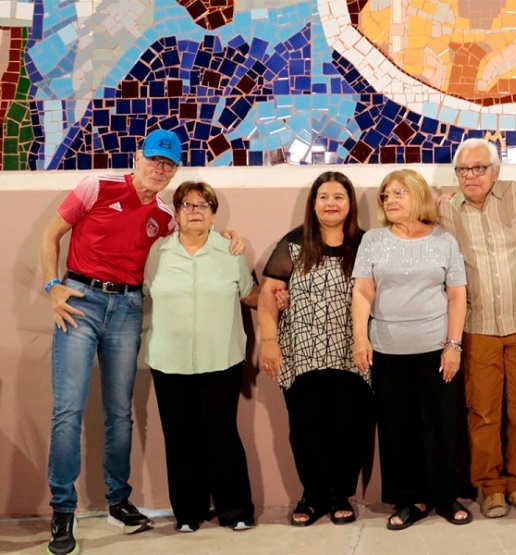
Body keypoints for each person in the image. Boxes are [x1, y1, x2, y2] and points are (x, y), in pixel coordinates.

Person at [39, 129, 242, 555]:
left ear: (174, 171)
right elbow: (51, 234)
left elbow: (192, 236)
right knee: (69, 410)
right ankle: (63, 510)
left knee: (120, 413)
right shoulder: (96, 186)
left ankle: (118, 501)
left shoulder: (167, 215)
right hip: (80, 301)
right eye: (154, 159)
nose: (159, 169)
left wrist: (228, 237)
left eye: (168, 164)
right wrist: (52, 286)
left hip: (127, 308)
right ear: (138, 157)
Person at [437, 138, 516, 518]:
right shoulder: (445, 211)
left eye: (478, 168)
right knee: (483, 409)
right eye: (463, 170)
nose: (470, 176)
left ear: (496, 171)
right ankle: (489, 487)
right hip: (478, 325)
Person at [352, 169, 470, 530]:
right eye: (386, 196)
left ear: (418, 196)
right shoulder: (373, 240)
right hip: (389, 350)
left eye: (399, 193)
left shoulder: (444, 241)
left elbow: (457, 295)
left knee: (442, 426)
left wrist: (454, 345)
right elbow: (362, 290)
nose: (390, 201)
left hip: (437, 349)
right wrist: (360, 337)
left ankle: (446, 496)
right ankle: (410, 499)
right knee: (397, 428)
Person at [258, 171, 374, 527]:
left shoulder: (366, 244)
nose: (331, 204)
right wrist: (269, 341)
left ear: (350, 203)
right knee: (307, 428)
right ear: (313, 203)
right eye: (323, 197)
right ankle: (313, 495)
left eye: (339, 197)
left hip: (351, 351)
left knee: (349, 426)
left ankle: (341, 494)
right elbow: (267, 295)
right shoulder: (294, 244)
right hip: (303, 351)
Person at [143, 181, 258, 532]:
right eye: (187, 205)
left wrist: (277, 297)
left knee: (221, 434)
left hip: (221, 358)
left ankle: (235, 510)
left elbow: (249, 295)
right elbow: (146, 291)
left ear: (213, 214)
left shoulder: (230, 249)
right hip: (169, 359)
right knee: (180, 438)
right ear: (176, 213)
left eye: (203, 205)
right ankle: (189, 514)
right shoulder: (158, 253)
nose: (195, 210)